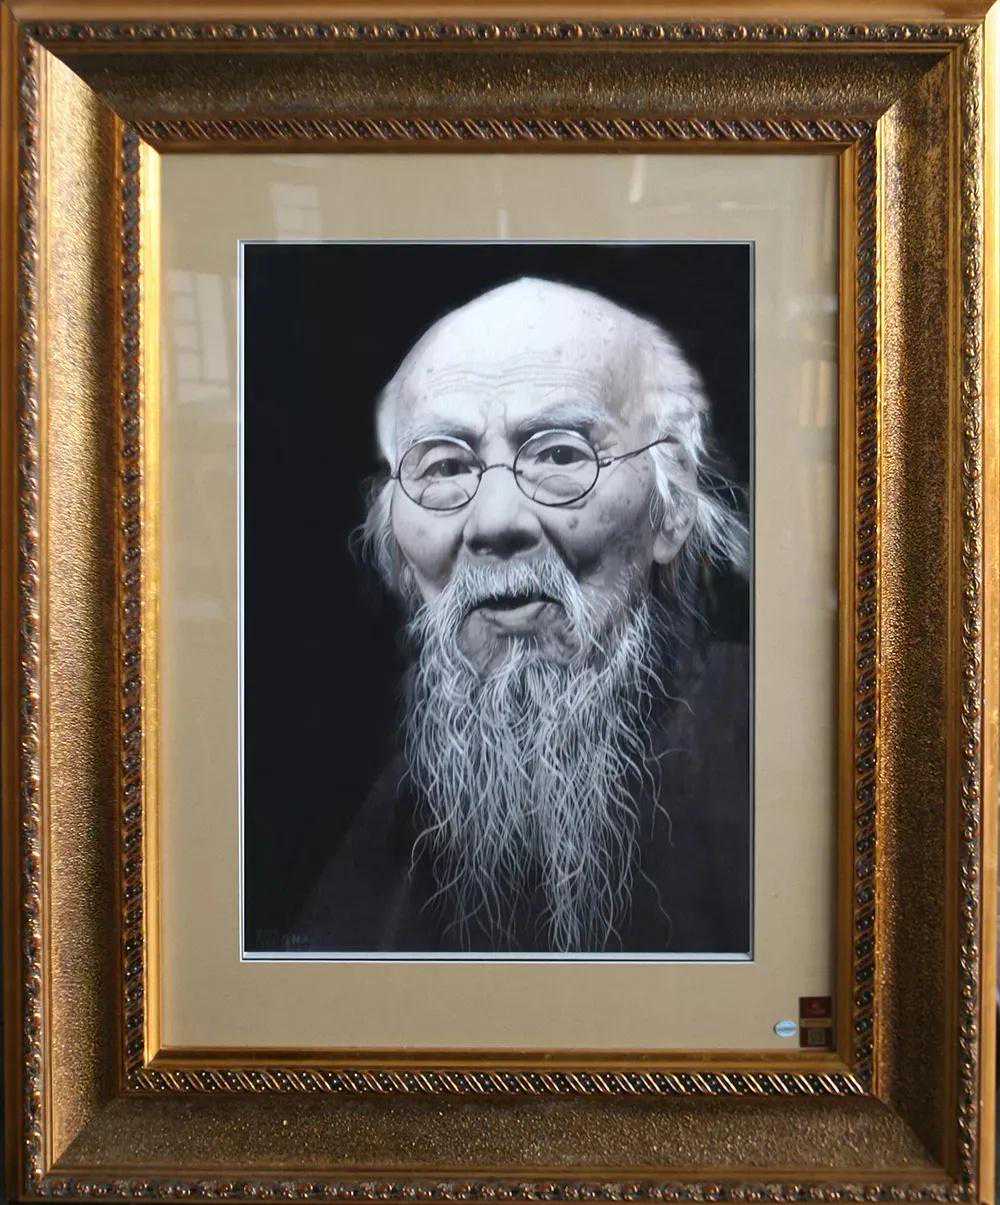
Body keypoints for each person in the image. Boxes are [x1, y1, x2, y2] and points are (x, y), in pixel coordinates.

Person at [294, 277, 751, 956]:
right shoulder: (391, 798)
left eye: (560, 454)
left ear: (672, 508)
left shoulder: (770, 750)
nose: (496, 522)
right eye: (445, 466)